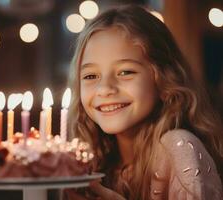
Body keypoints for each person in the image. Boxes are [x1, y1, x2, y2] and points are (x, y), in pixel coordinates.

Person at [66, 4, 223, 200]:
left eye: (125, 72)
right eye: (90, 76)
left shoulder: (179, 148)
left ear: (164, 78)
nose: (104, 88)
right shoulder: (97, 159)